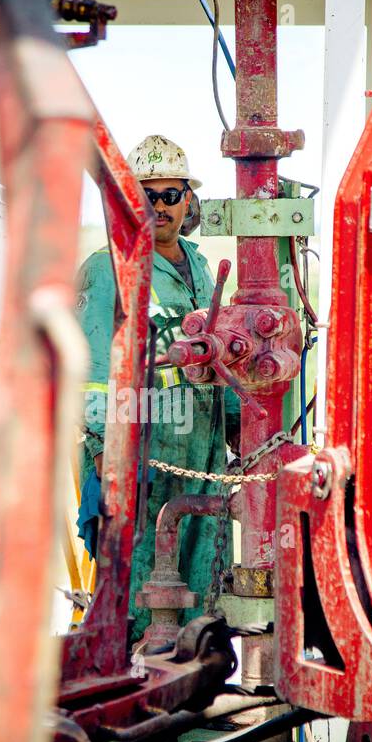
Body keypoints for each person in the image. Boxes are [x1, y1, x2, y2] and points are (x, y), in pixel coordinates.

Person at [75, 134, 239, 650]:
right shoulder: (108, 270)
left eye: (171, 195)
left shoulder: (200, 266)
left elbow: (222, 355)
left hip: (202, 453)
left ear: (188, 199)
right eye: (148, 196)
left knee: (197, 572)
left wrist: (245, 433)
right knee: (137, 582)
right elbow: (94, 367)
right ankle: (132, 683)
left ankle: (190, 687)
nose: (160, 207)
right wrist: (106, 451)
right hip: (140, 457)